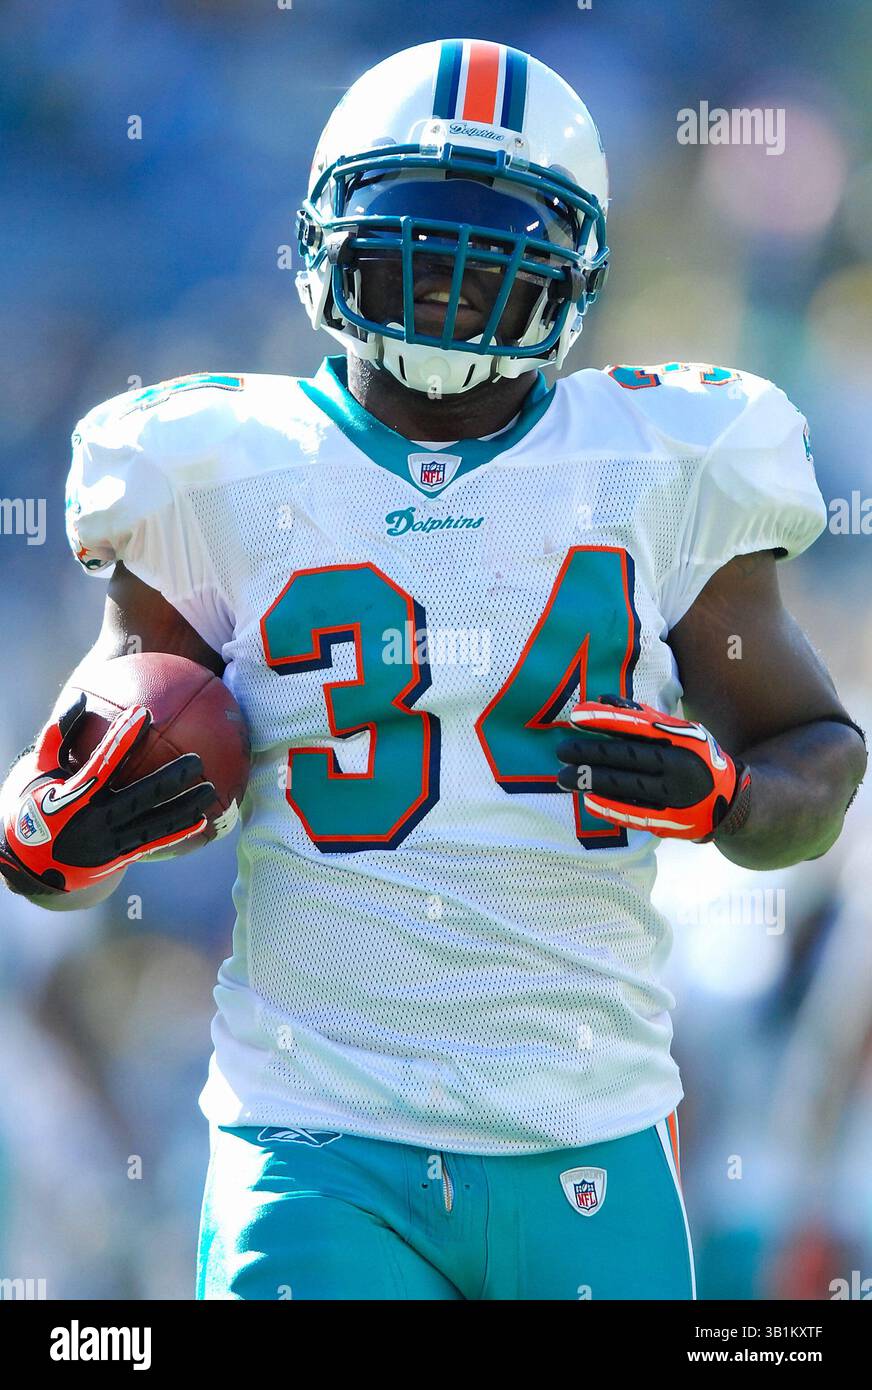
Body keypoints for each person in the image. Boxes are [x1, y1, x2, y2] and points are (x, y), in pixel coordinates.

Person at [0, 39, 865, 1300]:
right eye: (416, 231)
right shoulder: (214, 472)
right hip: (313, 1133)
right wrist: (45, 836)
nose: (452, 276)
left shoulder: (658, 463)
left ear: (571, 267)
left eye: (494, 239)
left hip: (585, 1129)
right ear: (323, 241)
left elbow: (818, 759)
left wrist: (728, 797)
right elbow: (73, 805)